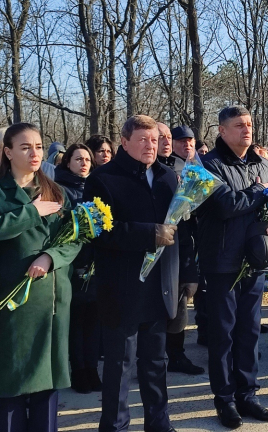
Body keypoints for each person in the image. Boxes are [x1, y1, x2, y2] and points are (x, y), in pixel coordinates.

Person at [83, 115, 180, 432]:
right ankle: (114, 426)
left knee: (155, 363)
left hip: (158, 286)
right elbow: (97, 232)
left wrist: (187, 275)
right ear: (124, 142)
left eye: (154, 140)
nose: (150, 146)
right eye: (142, 139)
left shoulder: (168, 177)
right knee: (119, 365)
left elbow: (182, 231)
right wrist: (149, 233)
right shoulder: (103, 179)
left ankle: (158, 422)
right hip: (120, 287)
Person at [195, 106, 268, 428]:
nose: (247, 130)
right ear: (222, 131)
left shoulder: (264, 164)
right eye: (238, 125)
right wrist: (259, 191)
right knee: (224, 336)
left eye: (249, 124)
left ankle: (249, 396)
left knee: (248, 333)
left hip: (257, 263)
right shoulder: (208, 166)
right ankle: (225, 400)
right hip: (223, 264)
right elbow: (226, 206)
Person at [0, 123, 81, 432]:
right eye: (24, 147)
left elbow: (74, 238)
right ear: (8, 152)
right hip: (13, 303)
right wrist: (31, 212)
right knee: (12, 383)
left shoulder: (55, 190)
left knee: (47, 384)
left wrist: (51, 257)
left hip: (52, 301)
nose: (34, 153)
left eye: (37, 146)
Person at [156, 122, 204, 375]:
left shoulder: (193, 169)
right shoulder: (157, 170)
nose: (186, 145)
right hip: (157, 242)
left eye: (190, 141)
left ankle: (176, 355)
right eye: (179, 140)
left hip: (184, 242)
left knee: (180, 304)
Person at [54, 144, 103, 394]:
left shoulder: (96, 187)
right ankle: (79, 370)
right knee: (76, 321)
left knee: (94, 320)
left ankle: (93, 368)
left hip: (96, 263)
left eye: (87, 159)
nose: (84, 163)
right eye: (78, 159)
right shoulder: (60, 190)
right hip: (73, 264)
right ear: (68, 163)